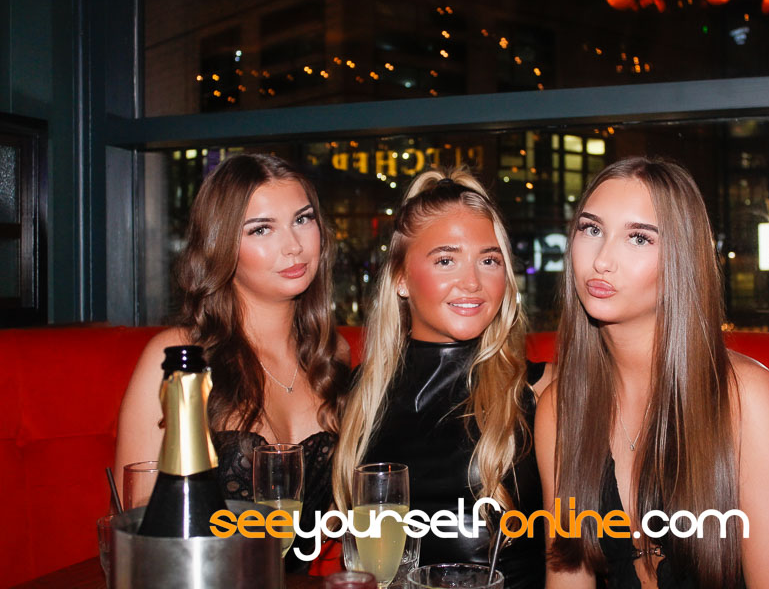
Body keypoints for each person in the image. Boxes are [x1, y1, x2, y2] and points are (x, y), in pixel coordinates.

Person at [535, 157, 769, 588]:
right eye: (591, 229)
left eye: (639, 238)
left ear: (682, 259)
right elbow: (568, 577)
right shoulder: (560, 409)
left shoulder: (745, 397)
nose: (602, 260)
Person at [115, 153, 351, 572]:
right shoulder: (179, 358)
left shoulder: (331, 356)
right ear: (221, 244)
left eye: (302, 219)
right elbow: (139, 525)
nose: (294, 246)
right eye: (261, 229)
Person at [331, 169, 549, 589]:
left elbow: (573, 554)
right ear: (400, 279)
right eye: (446, 260)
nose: (472, 283)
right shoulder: (358, 396)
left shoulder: (540, 392)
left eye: (489, 260)